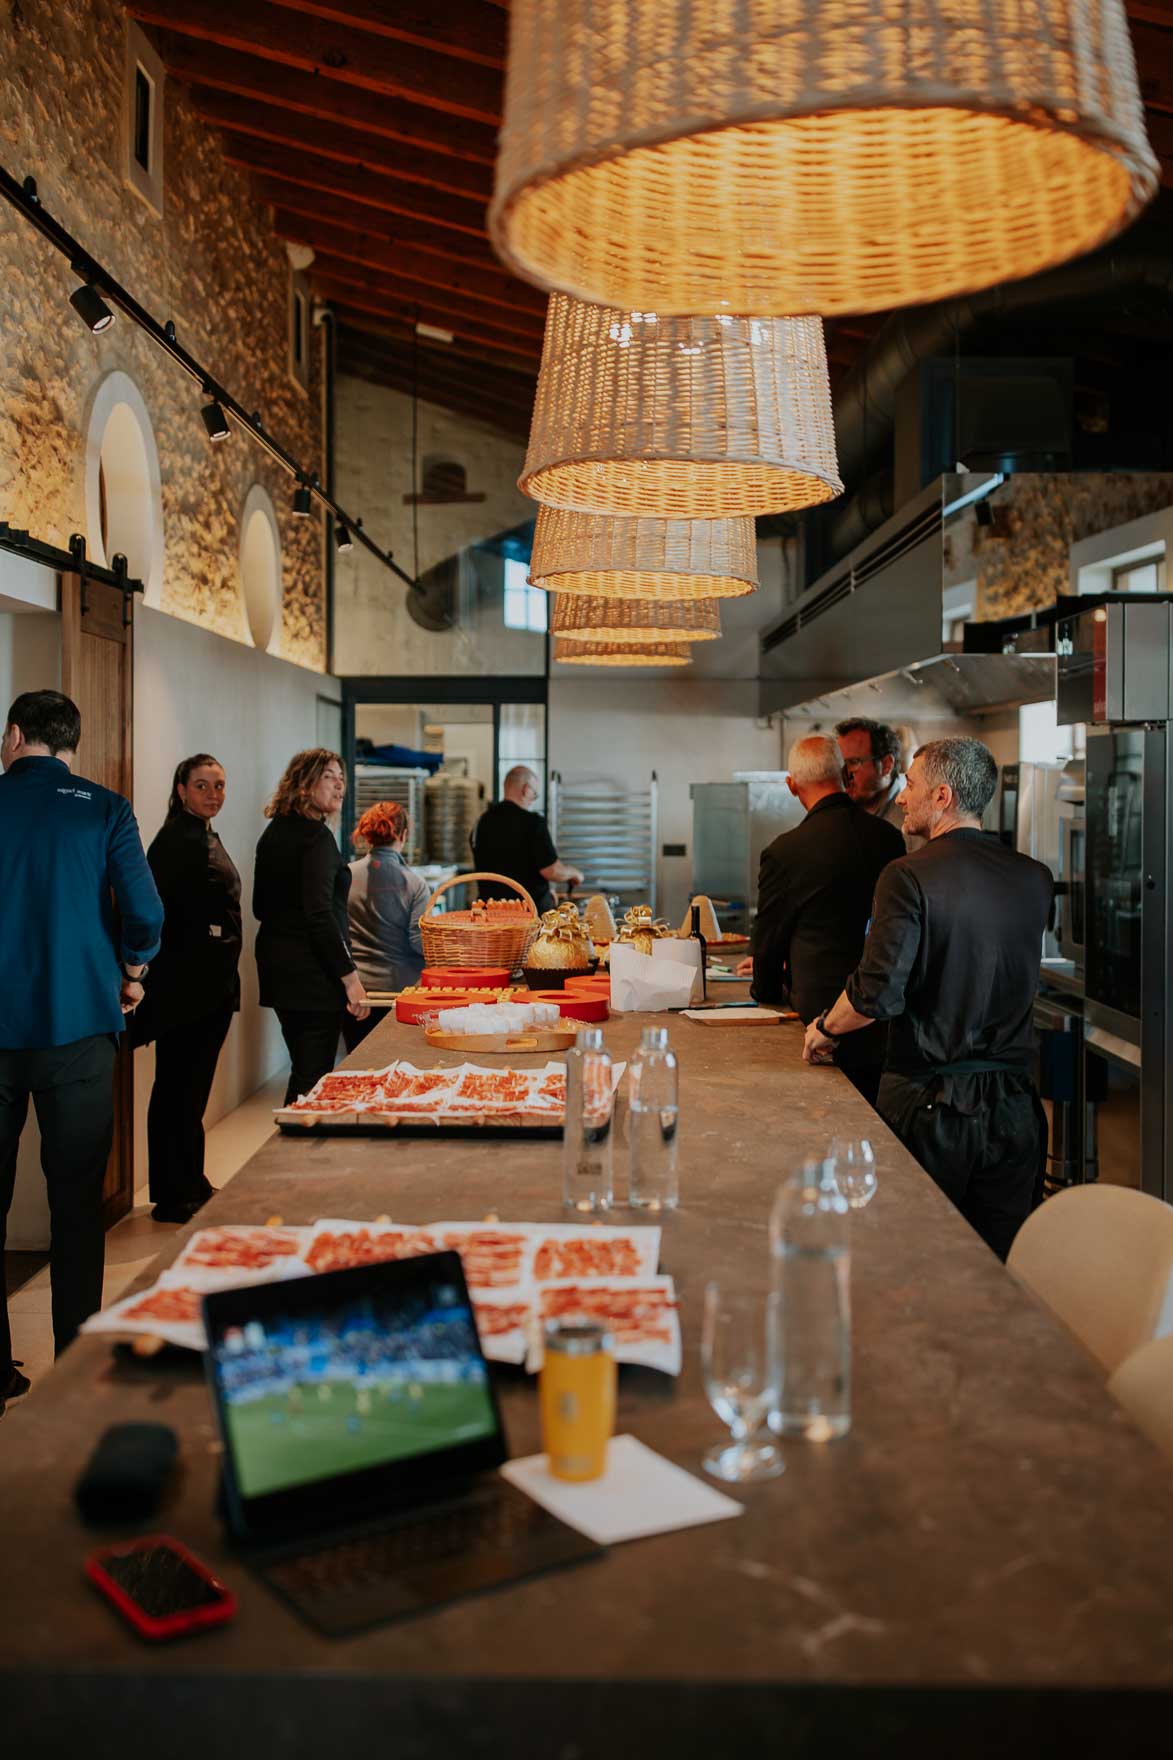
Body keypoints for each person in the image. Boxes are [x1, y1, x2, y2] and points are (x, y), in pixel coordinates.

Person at [802, 737, 1053, 1260]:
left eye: (911, 787)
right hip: (1015, 1112)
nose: (901, 798)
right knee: (1000, 1268)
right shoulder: (1035, 878)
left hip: (931, 1107)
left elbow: (875, 995)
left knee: (915, 1261)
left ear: (942, 797)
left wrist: (824, 1030)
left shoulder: (907, 875)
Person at [0, 690, 163, 1414]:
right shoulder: (105, 807)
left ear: (13, 737)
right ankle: (75, 1365)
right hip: (79, 1028)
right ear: (69, 744)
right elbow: (146, 911)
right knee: (74, 1203)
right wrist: (132, 971)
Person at [740, 735, 904, 1105]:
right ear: (844, 774)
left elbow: (768, 941)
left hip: (816, 1017)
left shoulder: (785, 851)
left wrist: (765, 992)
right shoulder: (888, 839)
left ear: (791, 784)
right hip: (881, 1012)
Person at [137, 754, 242, 1225]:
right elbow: (166, 916)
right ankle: (176, 1194)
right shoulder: (177, 840)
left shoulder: (196, 833)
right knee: (181, 1090)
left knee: (186, 1090)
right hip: (189, 991)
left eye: (219, 785)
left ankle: (188, 1181)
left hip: (204, 987)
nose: (213, 794)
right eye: (203, 786)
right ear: (181, 789)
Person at [254, 750, 370, 1105]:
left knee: (305, 1069)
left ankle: (292, 1149)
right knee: (313, 1077)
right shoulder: (316, 837)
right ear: (304, 784)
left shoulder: (274, 832)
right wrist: (351, 979)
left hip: (278, 968)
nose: (340, 785)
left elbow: (260, 907)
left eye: (342, 778)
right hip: (312, 974)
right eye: (329, 776)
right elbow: (320, 915)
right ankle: (293, 1154)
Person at [344, 800, 430, 1053]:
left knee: (359, 1067)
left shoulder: (345, 875)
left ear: (368, 835)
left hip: (357, 991)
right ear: (403, 835)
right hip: (400, 991)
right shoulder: (414, 884)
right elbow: (417, 940)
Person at [470, 765, 583, 914]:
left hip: (489, 916)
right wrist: (574, 873)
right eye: (535, 794)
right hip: (528, 917)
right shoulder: (533, 822)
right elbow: (552, 871)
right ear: (526, 789)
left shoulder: (481, 822)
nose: (533, 800)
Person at [835, 717, 912, 834]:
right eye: (840, 764)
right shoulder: (839, 818)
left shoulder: (911, 824)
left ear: (886, 765)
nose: (844, 774)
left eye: (853, 762)